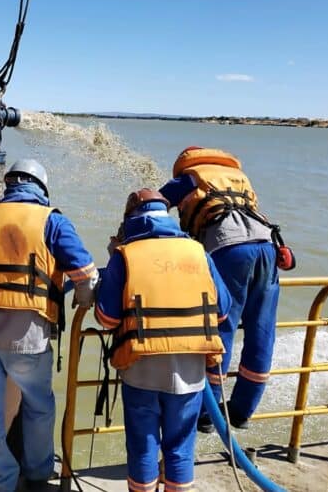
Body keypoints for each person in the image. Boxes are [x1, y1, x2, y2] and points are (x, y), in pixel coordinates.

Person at [0, 158, 98, 492]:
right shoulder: (52, 221)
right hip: (27, 336)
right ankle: (37, 472)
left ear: (8, 185)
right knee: (39, 405)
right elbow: (87, 275)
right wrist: (82, 301)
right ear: (42, 188)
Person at [95, 188, 231, 492]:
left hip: (141, 370)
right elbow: (223, 311)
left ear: (130, 219)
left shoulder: (125, 255)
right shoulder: (198, 252)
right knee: (180, 449)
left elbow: (106, 318)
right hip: (190, 371)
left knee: (143, 448)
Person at [159, 146, 285, 433]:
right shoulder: (238, 176)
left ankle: (208, 413)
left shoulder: (190, 177)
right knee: (262, 330)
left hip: (228, 249)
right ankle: (242, 411)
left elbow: (153, 203)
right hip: (267, 247)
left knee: (219, 329)